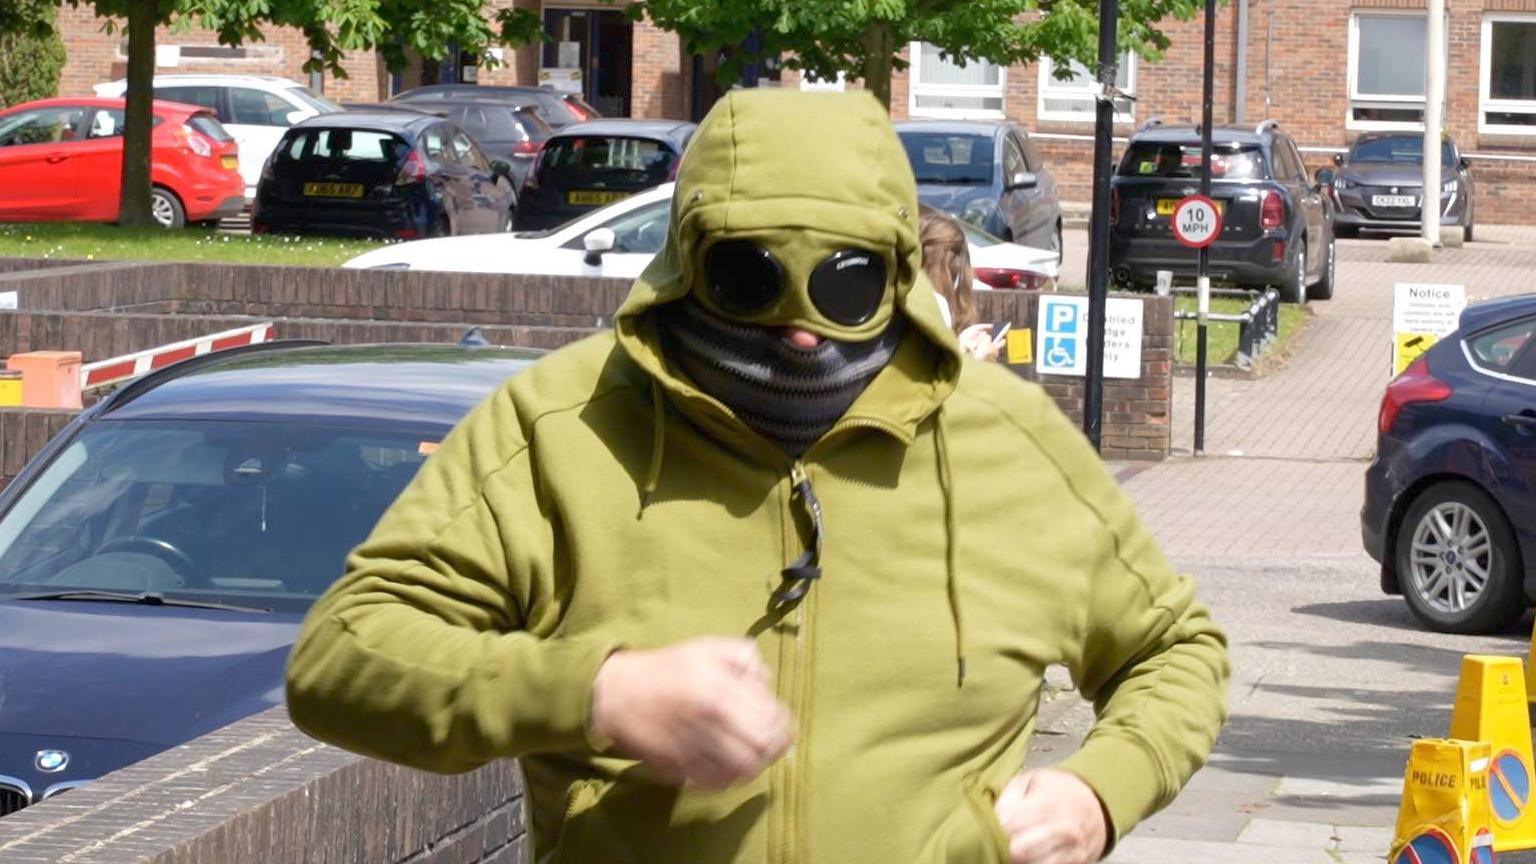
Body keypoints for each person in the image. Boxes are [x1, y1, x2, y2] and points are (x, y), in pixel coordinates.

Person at [286, 88, 1229, 864]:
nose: (802, 328)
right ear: (689, 260)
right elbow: (344, 657)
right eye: (751, 277)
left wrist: (1100, 792)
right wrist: (596, 692)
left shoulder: (1012, 442)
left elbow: (1174, 651)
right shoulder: (559, 429)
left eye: (847, 281)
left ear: (899, 272)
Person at [919, 204, 1003, 362]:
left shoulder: (903, 296)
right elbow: (938, 382)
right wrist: (979, 360)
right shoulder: (937, 305)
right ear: (955, 265)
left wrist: (960, 345)